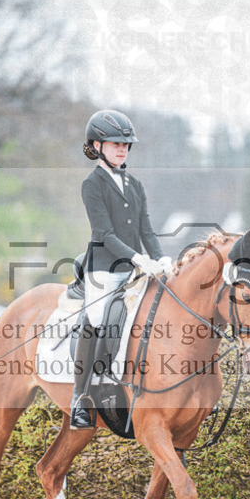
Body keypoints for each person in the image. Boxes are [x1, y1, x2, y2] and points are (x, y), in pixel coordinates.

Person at [70, 109, 172, 430]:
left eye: (126, 145)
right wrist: (137, 258)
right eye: (116, 144)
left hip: (134, 269)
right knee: (98, 317)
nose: (123, 149)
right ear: (97, 146)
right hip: (103, 268)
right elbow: (104, 234)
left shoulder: (135, 184)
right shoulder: (92, 184)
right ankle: (81, 397)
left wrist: (160, 258)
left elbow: (147, 230)